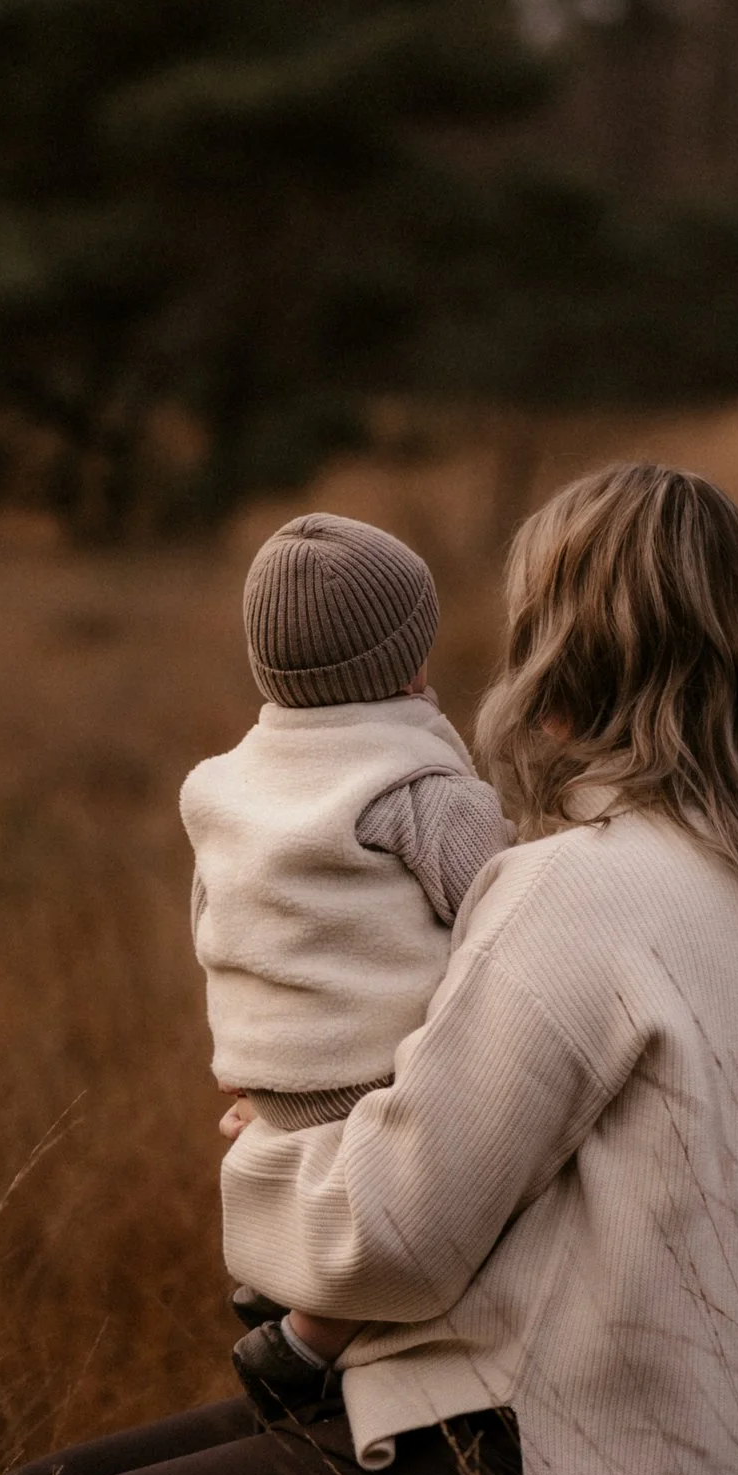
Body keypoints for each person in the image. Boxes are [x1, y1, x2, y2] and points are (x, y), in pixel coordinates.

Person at [0, 463, 738, 1475]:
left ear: (564, 659)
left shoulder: (577, 890)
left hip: (519, 1472)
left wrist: (270, 1153)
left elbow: (393, 1235)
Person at [181, 511, 512, 1402]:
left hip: (262, 1081)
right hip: (372, 1079)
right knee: (452, 1184)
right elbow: (504, 931)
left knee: (306, 1156)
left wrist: (257, 1050)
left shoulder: (223, 786)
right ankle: (311, 1334)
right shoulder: (422, 794)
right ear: (410, 660)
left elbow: (212, 920)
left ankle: (275, 1266)